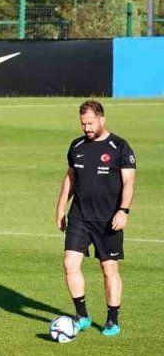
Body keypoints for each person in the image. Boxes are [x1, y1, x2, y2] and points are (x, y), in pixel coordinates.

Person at [56, 100, 135, 336]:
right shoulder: (77, 146)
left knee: (109, 269)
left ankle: (112, 319)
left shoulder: (119, 147)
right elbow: (70, 178)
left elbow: (129, 181)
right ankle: (82, 316)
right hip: (79, 216)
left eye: (90, 123)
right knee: (70, 264)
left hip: (108, 219)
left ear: (102, 119)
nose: (87, 128)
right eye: (83, 124)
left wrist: (124, 210)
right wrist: (61, 208)